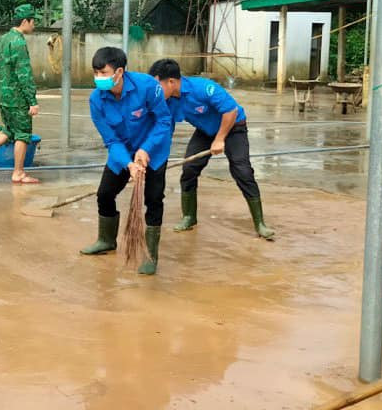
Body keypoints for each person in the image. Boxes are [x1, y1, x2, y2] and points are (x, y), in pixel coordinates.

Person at [148, 58, 275, 240]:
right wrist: (154, 154)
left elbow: (230, 111)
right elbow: (165, 128)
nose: (155, 91)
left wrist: (220, 139)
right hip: (206, 131)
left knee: (242, 171)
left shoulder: (203, 88)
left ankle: (260, 223)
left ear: (171, 82)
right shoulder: (168, 101)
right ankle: (189, 216)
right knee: (189, 169)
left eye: (157, 85)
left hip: (233, 127)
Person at [79, 47, 172, 275]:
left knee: (153, 198)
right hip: (122, 153)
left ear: (119, 71)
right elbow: (111, 140)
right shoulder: (96, 100)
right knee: (105, 194)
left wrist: (146, 149)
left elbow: (163, 121)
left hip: (154, 151)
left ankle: (151, 256)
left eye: (103, 72)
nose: (98, 78)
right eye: (96, 72)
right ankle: (106, 240)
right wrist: (129, 164)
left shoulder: (148, 86)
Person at [0, 3, 40, 183]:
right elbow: (24, 74)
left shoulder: (4, 38)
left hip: (4, 96)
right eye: (33, 21)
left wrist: (6, 81)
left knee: (9, 131)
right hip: (18, 99)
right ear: (25, 21)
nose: (34, 25)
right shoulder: (19, 42)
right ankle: (18, 172)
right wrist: (32, 101)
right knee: (23, 134)